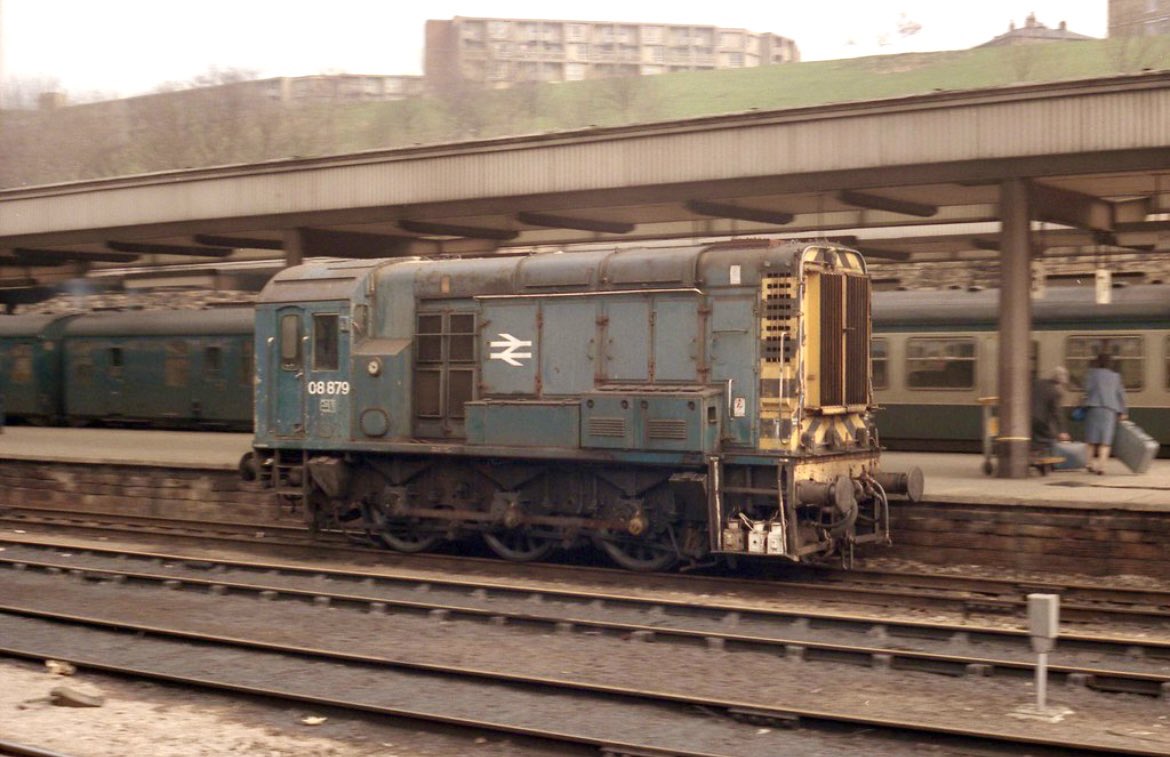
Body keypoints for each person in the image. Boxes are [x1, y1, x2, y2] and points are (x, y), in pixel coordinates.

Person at [1081, 353, 1128, 475]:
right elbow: (1121, 395)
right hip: (1109, 410)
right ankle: (1102, 467)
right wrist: (1123, 411)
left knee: (1091, 439)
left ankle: (1089, 464)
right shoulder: (1115, 376)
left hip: (1093, 408)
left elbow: (1086, 389)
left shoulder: (1091, 374)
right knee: (1105, 440)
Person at [1031, 365, 1071, 453]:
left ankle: (1035, 454)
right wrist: (1062, 431)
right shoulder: (1055, 392)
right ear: (1061, 382)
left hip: (1028, 418)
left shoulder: (1038, 382)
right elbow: (1057, 413)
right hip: (1041, 420)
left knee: (1034, 439)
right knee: (1050, 439)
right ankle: (1046, 459)